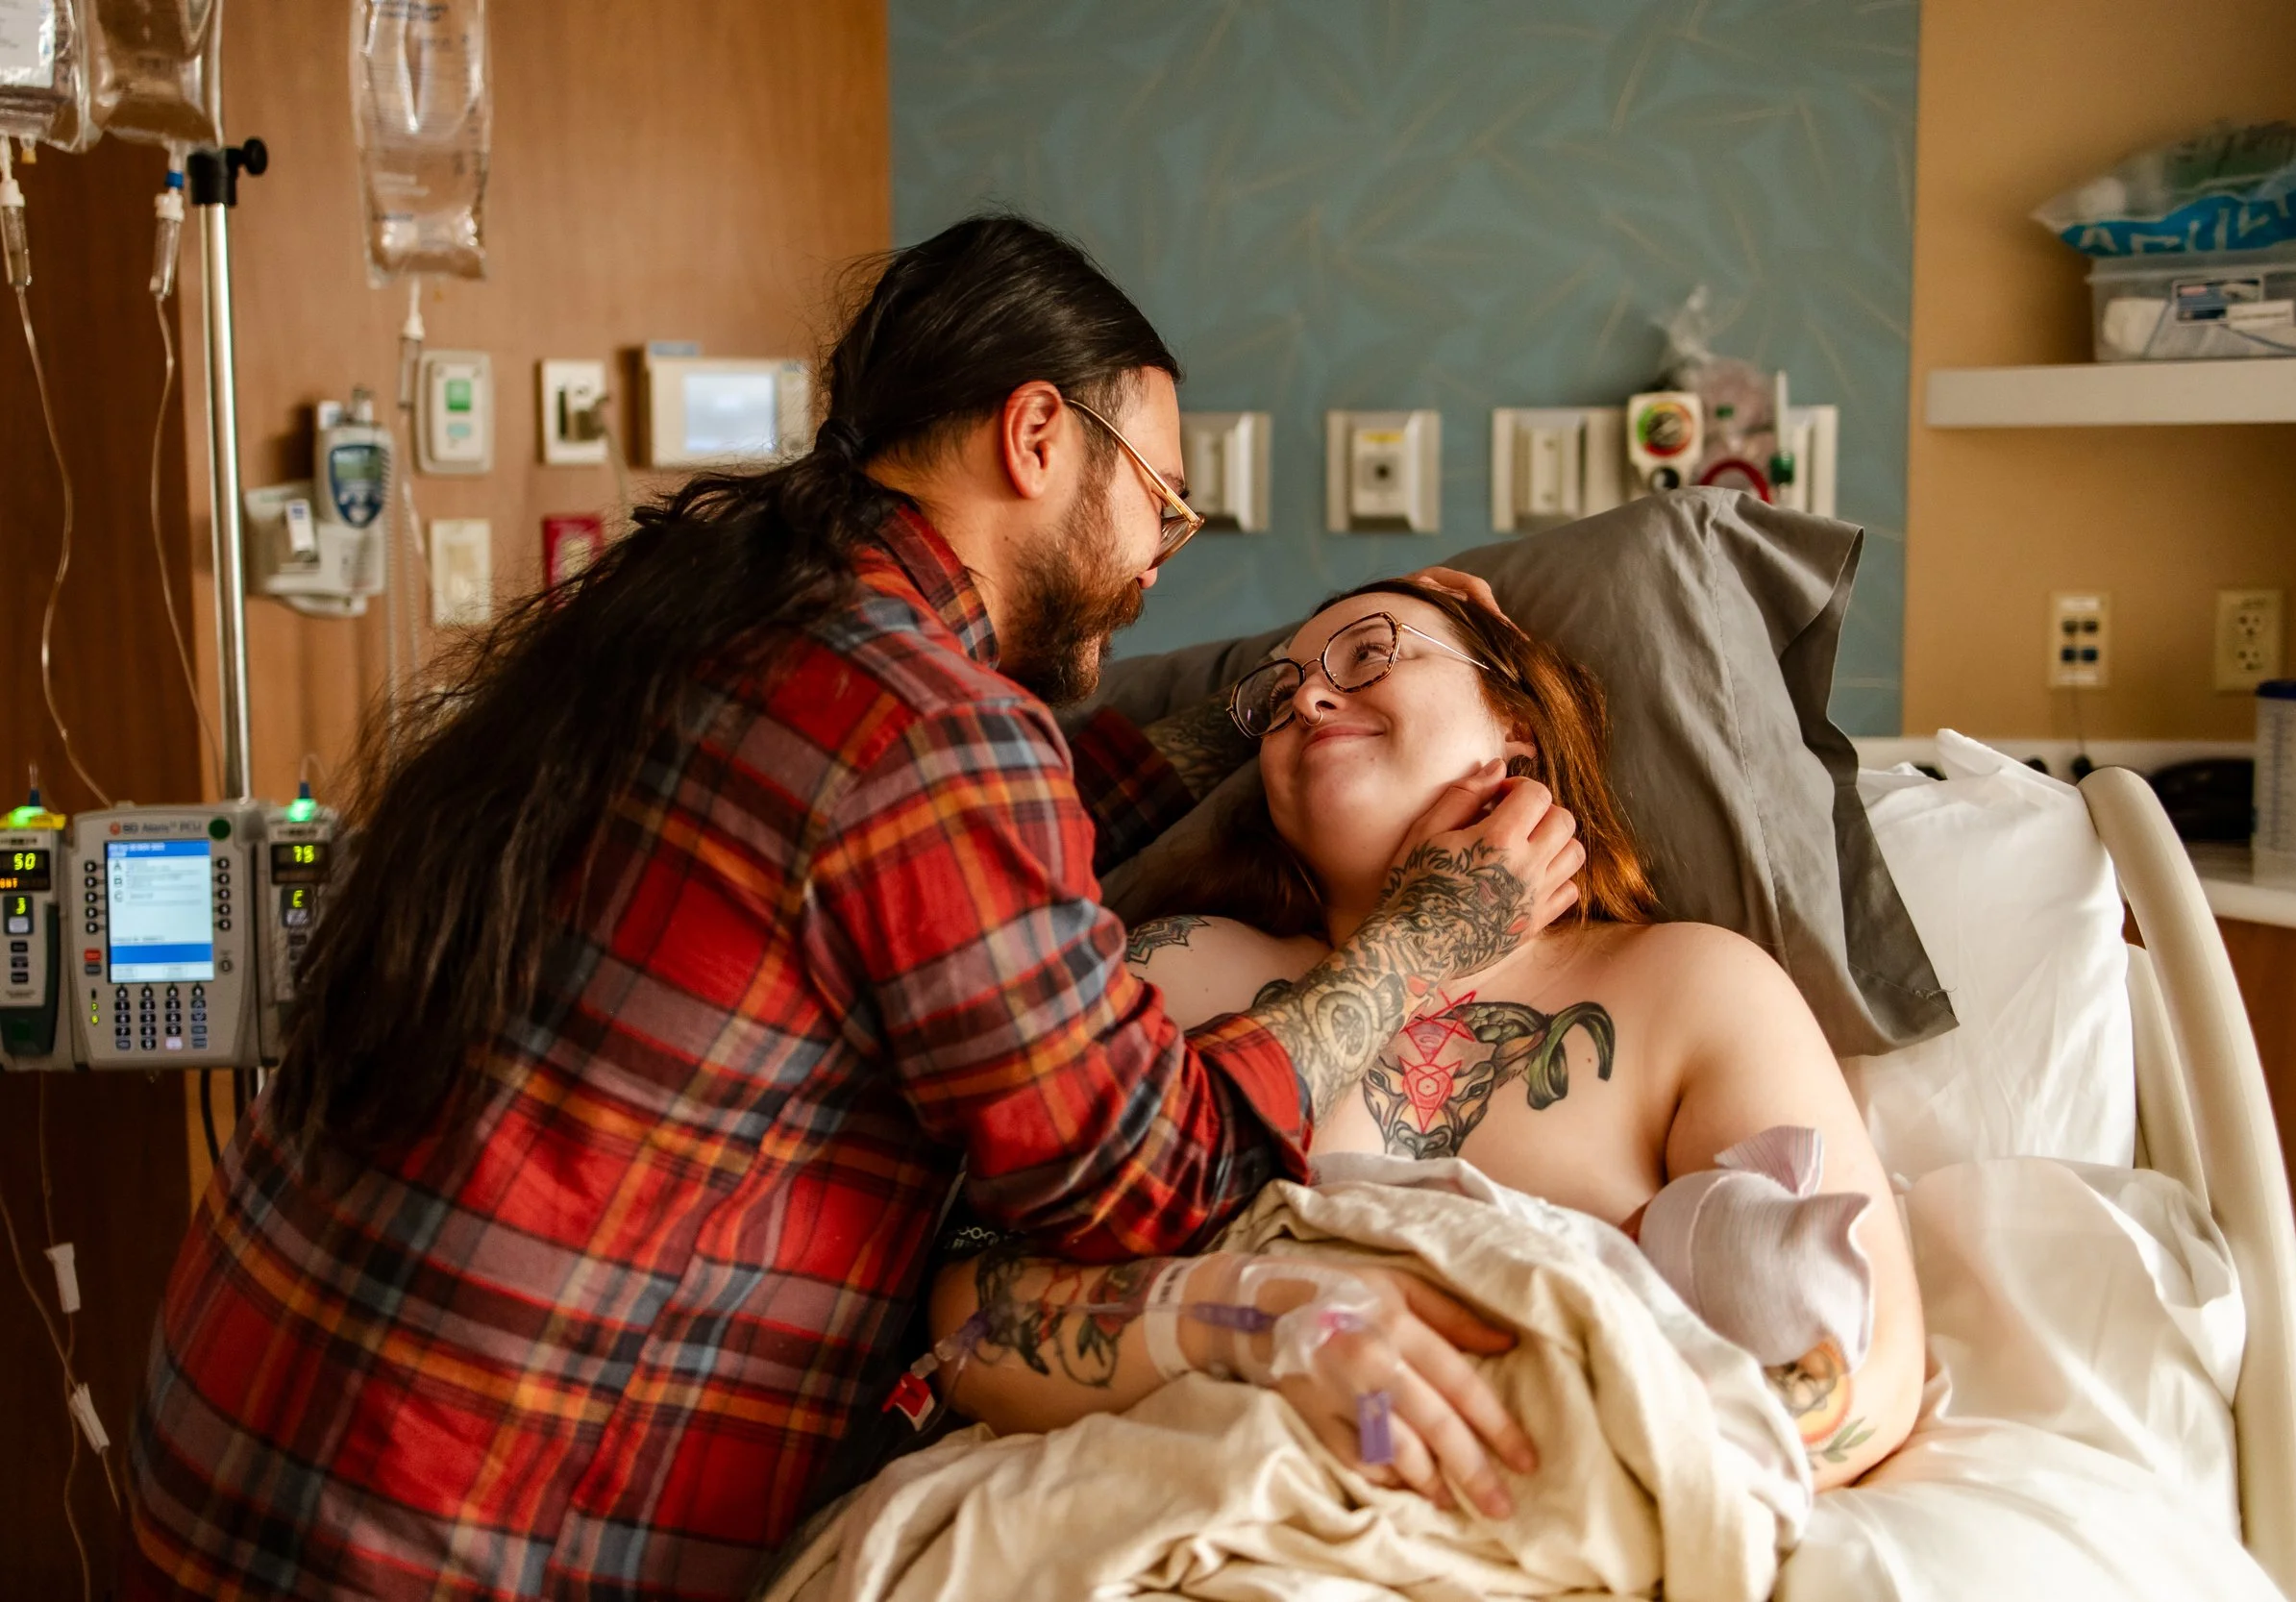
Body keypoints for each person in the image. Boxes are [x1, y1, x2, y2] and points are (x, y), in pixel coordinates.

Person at [122, 219, 1584, 1602]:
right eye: (1162, 499)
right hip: (443, 1512)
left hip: (243, 1408)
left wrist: (1254, 708)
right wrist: (1418, 946)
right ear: (1037, 436)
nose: (1161, 556)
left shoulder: (711, 607)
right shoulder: (926, 728)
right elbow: (1142, 1182)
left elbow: (950, 857)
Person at [927, 579, 1926, 1509]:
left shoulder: (1692, 986)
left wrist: (1593, 1451)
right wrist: (1249, 1321)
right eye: (1276, 700)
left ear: (1515, 728)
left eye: (1367, 654)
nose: (1308, 700)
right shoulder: (1179, 970)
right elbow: (966, 1322)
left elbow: (1868, 1365)